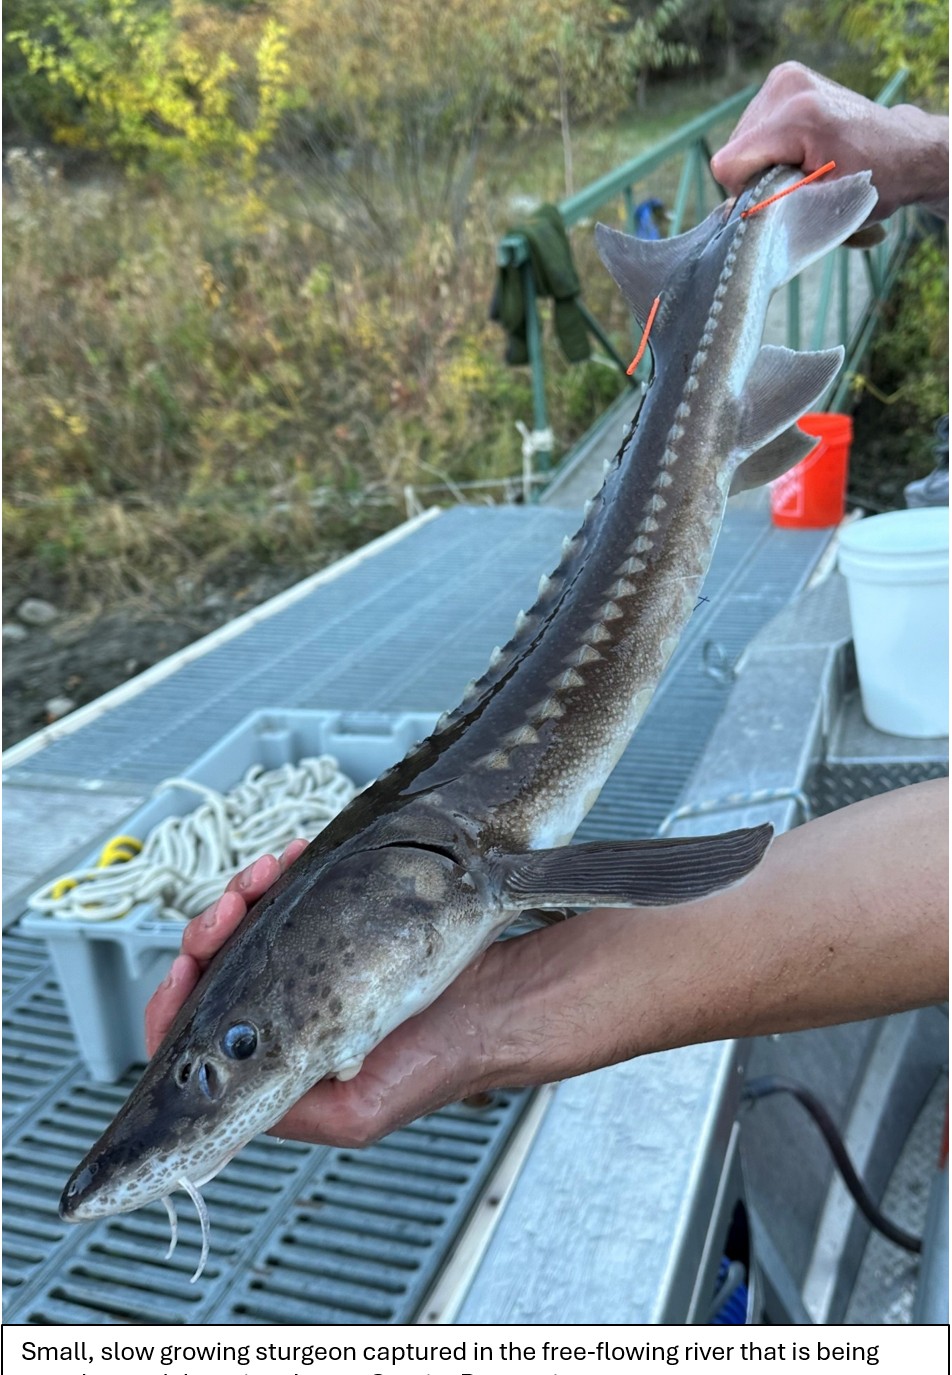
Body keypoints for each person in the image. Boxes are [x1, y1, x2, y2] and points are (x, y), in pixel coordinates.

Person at [146, 63, 949, 1150]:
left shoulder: (475, 869)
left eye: (239, 1049)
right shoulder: (449, 873)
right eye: (235, 1050)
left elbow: (708, 880)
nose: (247, 1059)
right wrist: (920, 152)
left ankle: (726, 274)